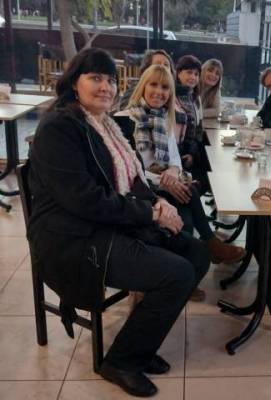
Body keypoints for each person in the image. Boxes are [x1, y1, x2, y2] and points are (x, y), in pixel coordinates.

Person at [27, 48, 210, 397]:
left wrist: (158, 202)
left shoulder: (106, 124)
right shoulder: (59, 128)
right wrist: (151, 213)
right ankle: (121, 361)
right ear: (74, 82)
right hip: (73, 238)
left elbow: (134, 178)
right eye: (95, 78)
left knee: (197, 254)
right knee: (177, 274)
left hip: (107, 223)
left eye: (110, 80)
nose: (106, 87)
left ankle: (139, 342)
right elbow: (86, 200)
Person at [121, 64, 246, 266]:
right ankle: (206, 249)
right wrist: (165, 180)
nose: (159, 92)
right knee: (188, 205)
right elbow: (129, 170)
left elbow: (175, 158)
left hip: (164, 181)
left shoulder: (164, 118)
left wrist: (173, 171)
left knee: (188, 198)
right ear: (143, 86)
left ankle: (192, 267)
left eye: (164, 88)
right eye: (153, 85)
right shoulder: (126, 119)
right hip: (142, 190)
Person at [175, 55, 210, 194]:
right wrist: (189, 154)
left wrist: (193, 153)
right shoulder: (173, 97)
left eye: (196, 74)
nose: (193, 77)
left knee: (216, 167)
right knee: (208, 176)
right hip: (180, 156)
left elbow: (197, 129)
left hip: (192, 151)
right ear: (178, 73)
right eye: (189, 72)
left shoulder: (195, 98)